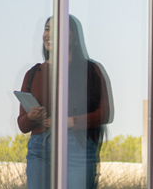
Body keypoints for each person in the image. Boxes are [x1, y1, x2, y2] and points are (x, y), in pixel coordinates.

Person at [17, 15, 113, 189]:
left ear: (74, 38)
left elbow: (105, 113)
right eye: (47, 29)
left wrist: (69, 122)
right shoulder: (33, 73)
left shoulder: (90, 70)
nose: (50, 34)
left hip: (77, 147)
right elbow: (23, 125)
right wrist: (32, 117)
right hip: (39, 148)